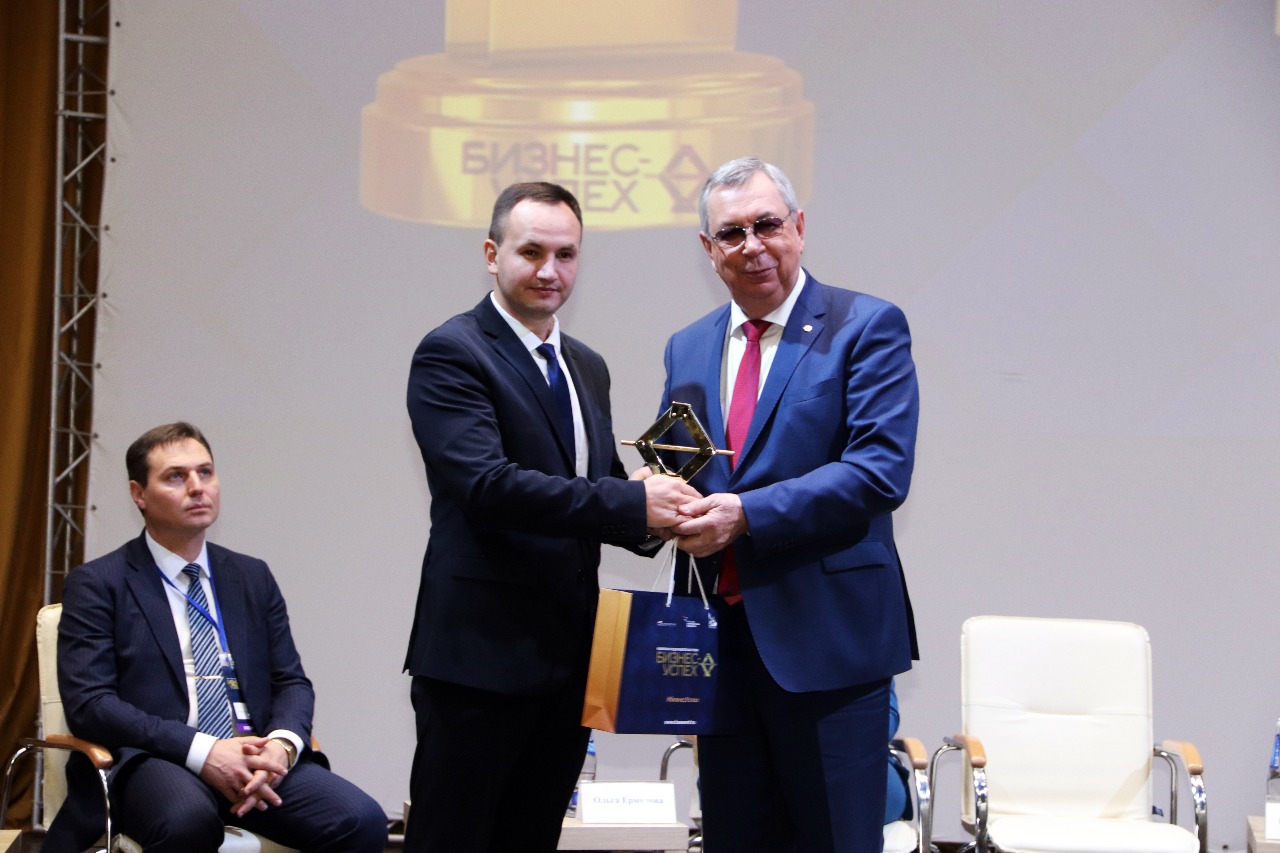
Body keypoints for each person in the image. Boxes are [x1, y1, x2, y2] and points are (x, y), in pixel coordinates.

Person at [402, 181, 700, 852]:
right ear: (492, 254)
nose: (549, 270)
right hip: (478, 659)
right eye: (531, 251)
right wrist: (631, 502)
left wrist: (663, 510)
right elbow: (487, 485)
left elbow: (596, 488)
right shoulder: (453, 351)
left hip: (569, 660)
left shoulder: (586, 366)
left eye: (566, 254)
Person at [657, 156, 920, 852]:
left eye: (767, 224)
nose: (753, 245)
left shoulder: (865, 325)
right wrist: (661, 500)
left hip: (829, 646)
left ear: (798, 227)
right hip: (722, 651)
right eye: (732, 232)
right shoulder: (688, 346)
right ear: (709, 248)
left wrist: (745, 514)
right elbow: (685, 462)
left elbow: (879, 472)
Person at [49, 422, 387, 853]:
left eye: (205, 472)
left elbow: (291, 682)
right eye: (176, 476)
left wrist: (282, 745)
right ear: (139, 494)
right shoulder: (100, 582)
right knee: (188, 820)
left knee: (360, 820)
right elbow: (91, 704)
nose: (197, 487)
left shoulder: (251, 576)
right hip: (157, 758)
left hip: (253, 758)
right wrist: (204, 751)